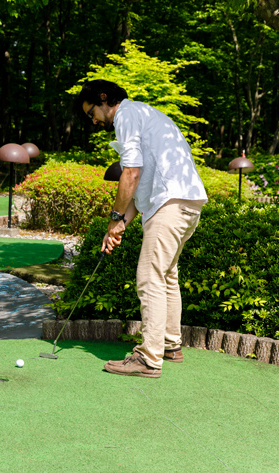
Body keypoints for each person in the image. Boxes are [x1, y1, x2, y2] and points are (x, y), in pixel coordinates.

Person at [73, 79, 208, 378]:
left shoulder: (125, 115)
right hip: (187, 203)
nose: (93, 120)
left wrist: (113, 216)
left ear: (104, 99)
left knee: (149, 277)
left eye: (91, 112)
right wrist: (119, 226)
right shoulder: (147, 115)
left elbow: (131, 173)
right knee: (167, 275)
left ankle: (148, 359)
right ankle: (170, 346)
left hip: (169, 203)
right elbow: (140, 184)